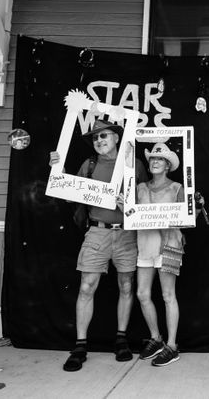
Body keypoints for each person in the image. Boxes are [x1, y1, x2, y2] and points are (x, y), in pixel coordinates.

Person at [49, 119, 146, 372]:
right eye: (95, 138)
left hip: (127, 234)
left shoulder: (133, 165)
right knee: (86, 287)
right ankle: (80, 346)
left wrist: (131, 205)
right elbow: (69, 191)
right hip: (96, 233)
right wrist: (56, 170)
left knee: (126, 286)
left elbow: (146, 201)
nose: (99, 141)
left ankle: (121, 339)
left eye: (104, 136)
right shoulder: (89, 165)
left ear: (116, 138)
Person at [135, 142, 203, 367]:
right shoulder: (139, 188)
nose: (155, 162)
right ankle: (156, 338)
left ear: (167, 165)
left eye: (160, 159)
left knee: (167, 295)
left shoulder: (177, 188)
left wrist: (197, 205)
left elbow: (189, 219)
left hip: (170, 245)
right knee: (143, 294)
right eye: (153, 158)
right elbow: (131, 214)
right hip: (144, 243)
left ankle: (172, 346)